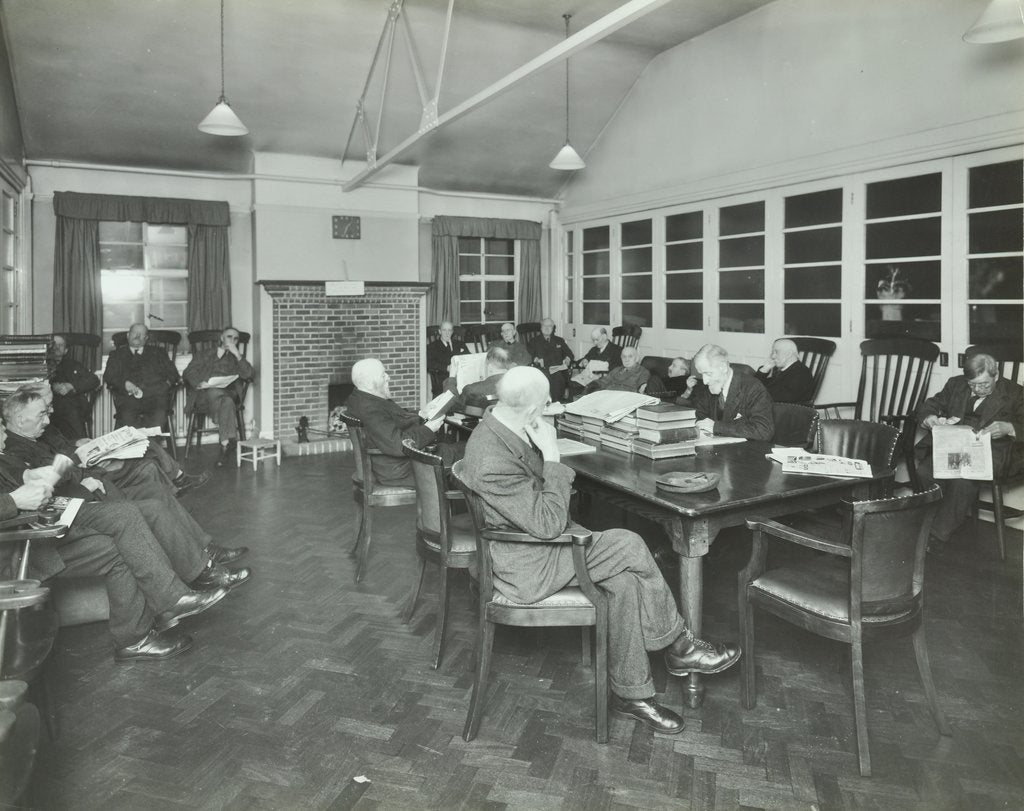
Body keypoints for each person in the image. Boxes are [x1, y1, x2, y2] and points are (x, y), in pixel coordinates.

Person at [460, 366, 740, 733]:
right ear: (529, 411)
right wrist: (553, 457)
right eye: (545, 405)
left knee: (624, 581)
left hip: (531, 548)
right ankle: (677, 645)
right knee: (630, 542)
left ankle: (632, 694)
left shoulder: (499, 428)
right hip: (526, 567)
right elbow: (546, 524)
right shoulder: (492, 457)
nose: (548, 410)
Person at [0, 421, 231, 662]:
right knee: (124, 516)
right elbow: (11, 498)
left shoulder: (4, 454)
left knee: (122, 538)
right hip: (22, 545)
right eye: (0, 426)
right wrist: (15, 500)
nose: (5, 430)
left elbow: (13, 476)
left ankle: (134, 640)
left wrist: (29, 476)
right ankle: (170, 600)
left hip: (42, 525)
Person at [1, 389, 251, 588]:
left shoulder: (36, 437)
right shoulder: (16, 450)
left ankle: (204, 549)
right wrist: (84, 479)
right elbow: (53, 486)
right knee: (151, 505)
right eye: (41, 415)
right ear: (21, 420)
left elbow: (64, 464)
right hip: (86, 498)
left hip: (93, 483)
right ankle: (201, 571)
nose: (47, 419)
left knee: (155, 491)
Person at [915, 352, 1023, 550]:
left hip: (995, 452)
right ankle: (931, 522)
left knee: (963, 476)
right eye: (973, 385)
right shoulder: (956, 384)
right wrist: (930, 417)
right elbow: (930, 404)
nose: (978, 389)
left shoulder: (1015, 393)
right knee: (926, 471)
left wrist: (1009, 428)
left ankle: (937, 535)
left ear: (996, 375)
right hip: (956, 446)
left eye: (984, 384)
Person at [345, 358, 462, 487]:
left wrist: (421, 414)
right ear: (368, 383)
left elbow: (394, 419)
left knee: (459, 449)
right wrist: (429, 428)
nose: (388, 377)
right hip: (402, 469)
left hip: (399, 464)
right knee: (466, 451)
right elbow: (398, 445)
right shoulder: (370, 409)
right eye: (383, 375)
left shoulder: (362, 398)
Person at [182, 327, 254, 467]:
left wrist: (238, 356)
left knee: (225, 398)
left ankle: (225, 442)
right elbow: (188, 372)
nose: (232, 341)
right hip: (204, 396)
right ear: (221, 338)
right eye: (229, 337)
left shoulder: (236, 358)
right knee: (223, 400)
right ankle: (229, 441)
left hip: (228, 393)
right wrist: (199, 383)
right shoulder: (204, 354)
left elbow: (249, 375)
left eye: (235, 338)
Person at [102, 323, 180, 430]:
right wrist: (124, 383)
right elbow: (109, 376)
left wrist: (163, 387)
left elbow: (173, 374)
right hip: (128, 399)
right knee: (127, 419)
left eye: (142, 334)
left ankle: (151, 446)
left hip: (156, 398)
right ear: (128, 335)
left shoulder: (158, 353)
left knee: (158, 418)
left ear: (146, 338)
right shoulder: (116, 355)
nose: (138, 336)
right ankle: (136, 446)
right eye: (135, 333)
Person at [691, 344, 774, 441]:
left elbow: (764, 431)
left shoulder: (753, 388)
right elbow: (701, 419)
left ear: (723, 367)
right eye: (701, 374)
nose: (705, 381)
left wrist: (716, 427)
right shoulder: (708, 387)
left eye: (708, 373)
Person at [47, 334, 100, 440]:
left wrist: (72, 386)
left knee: (70, 408)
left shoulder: (73, 364)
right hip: (49, 405)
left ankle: (80, 443)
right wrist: (52, 387)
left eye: (61, 345)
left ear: (66, 350)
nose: (57, 347)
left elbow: (94, 380)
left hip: (72, 408)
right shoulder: (42, 365)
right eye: (53, 344)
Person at [449, 346, 513, 412]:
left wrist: (451, 377)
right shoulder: (519, 383)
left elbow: (452, 406)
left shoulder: (471, 389)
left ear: (490, 366)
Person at [527, 317, 575, 402]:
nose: (547, 328)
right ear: (541, 327)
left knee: (559, 376)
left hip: (558, 368)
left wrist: (567, 358)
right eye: (544, 326)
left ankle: (558, 402)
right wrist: (536, 359)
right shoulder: (534, 341)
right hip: (542, 369)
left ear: (553, 328)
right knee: (556, 378)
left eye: (550, 326)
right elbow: (529, 355)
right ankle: (555, 402)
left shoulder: (559, 340)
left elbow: (570, 354)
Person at [754, 338, 815, 404]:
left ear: (789, 354)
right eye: (773, 352)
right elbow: (754, 385)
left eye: (776, 352)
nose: (773, 356)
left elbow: (782, 398)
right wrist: (765, 368)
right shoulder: (784, 370)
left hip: (791, 410)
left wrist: (756, 393)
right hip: (776, 407)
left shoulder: (801, 373)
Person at [568, 327, 623, 398]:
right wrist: (584, 361)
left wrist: (597, 367)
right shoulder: (594, 349)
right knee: (573, 383)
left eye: (597, 340)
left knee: (591, 387)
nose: (595, 343)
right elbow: (586, 358)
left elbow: (616, 369)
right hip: (589, 377)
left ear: (604, 336)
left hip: (603, 379)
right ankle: (573, 406)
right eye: (593, 340)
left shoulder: (617, 350)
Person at [426, 321, 470, 395]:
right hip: (443, 378)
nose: (447, 333)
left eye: (449, 330)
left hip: (462, 377)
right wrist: (446, 368)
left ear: (452, 332)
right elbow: (429, 363)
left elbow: (469, 357)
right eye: (444, 330)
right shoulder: (432, 346)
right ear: (440, 331)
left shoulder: (460, 344)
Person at [586, 346, 650, 393]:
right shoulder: (617, 369)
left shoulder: (642, 372)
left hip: (623, 398)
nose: (626, 359)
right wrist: (594, 384)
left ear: (637, 358)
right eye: (624, 356)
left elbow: (642, 390)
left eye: (630, 356)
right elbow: (605, 380)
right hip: (606, 393)